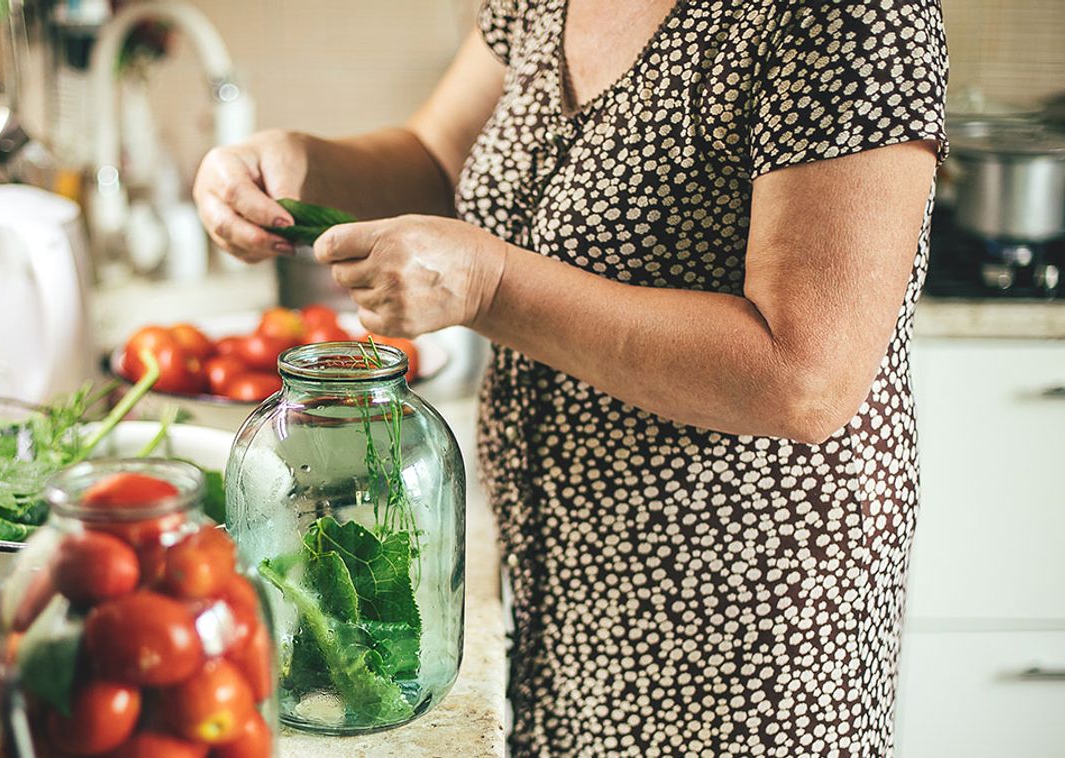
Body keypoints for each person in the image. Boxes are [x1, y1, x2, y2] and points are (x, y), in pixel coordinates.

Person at [193, 0, 947, 754]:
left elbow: (803, 378)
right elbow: (435, 158)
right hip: (566, 579)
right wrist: (291, 163)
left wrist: (490, 287)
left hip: (742, 610)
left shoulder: (847, 15)